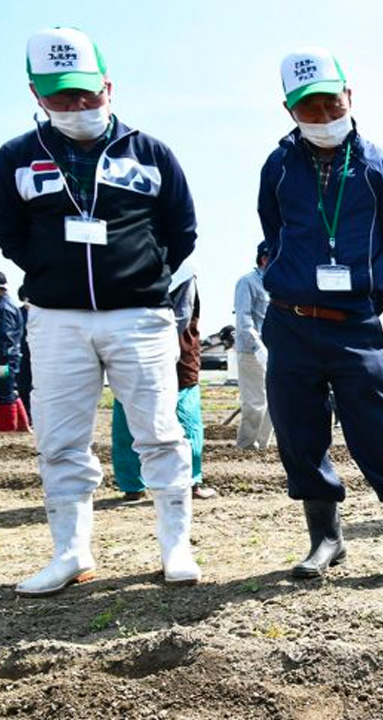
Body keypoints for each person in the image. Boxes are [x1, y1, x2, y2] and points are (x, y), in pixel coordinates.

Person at [0, 27, 200, 595]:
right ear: (36, 94)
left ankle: (175, 546)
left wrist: (141, 275)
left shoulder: (151, 151)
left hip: (139, 316)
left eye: (87, 93)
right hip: (56, 319)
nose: (77, 105)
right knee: (60, 441)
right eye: (61, 96)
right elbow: (9, 232)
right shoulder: (15, 158)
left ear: (109, 86)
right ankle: (70, 553)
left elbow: (180, 230)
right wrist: (48, 272)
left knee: (160, 434)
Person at [257, 47, 383, 586]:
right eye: (309, 109)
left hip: (354, 323)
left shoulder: (382, 168)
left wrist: (365, 300)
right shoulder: (279, 165)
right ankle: (326, 540)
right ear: (289, 109)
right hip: (290, 323)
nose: (323, 118)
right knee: (298, 430)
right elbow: (272, 231)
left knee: (377, 430)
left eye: (331, 104)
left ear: (349, 97)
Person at [111, 263, 216, 501]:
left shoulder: (177, 271)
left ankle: (137, 485)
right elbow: (180, 316)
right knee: (182, 417)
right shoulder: (182, 270)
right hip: (160, 352)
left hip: (140, 351)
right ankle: (183, 481)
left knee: (131, 412)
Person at [233, 241, 273, 450]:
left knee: (276, 402)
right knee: (255, 403)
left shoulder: (277, 283)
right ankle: (246, 446)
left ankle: (262, 447)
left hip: (274, 350)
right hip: (251, 351)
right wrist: (257, 347)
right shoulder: (247, 282)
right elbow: (243, 319)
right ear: (264, 258)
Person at [0, 270, 29, 432]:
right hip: (9, 359)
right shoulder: (8, 305)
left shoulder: (3, 309)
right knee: (10, 391)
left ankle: (7, 429)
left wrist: (2, 363)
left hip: (4, 360)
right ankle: (23, 427)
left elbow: (4, 338)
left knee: (4, 394)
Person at [16, 285, 32, 425]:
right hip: (19, 356)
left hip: (35, 355)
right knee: (22, 386)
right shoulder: (18, 313)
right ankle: (25, 417)